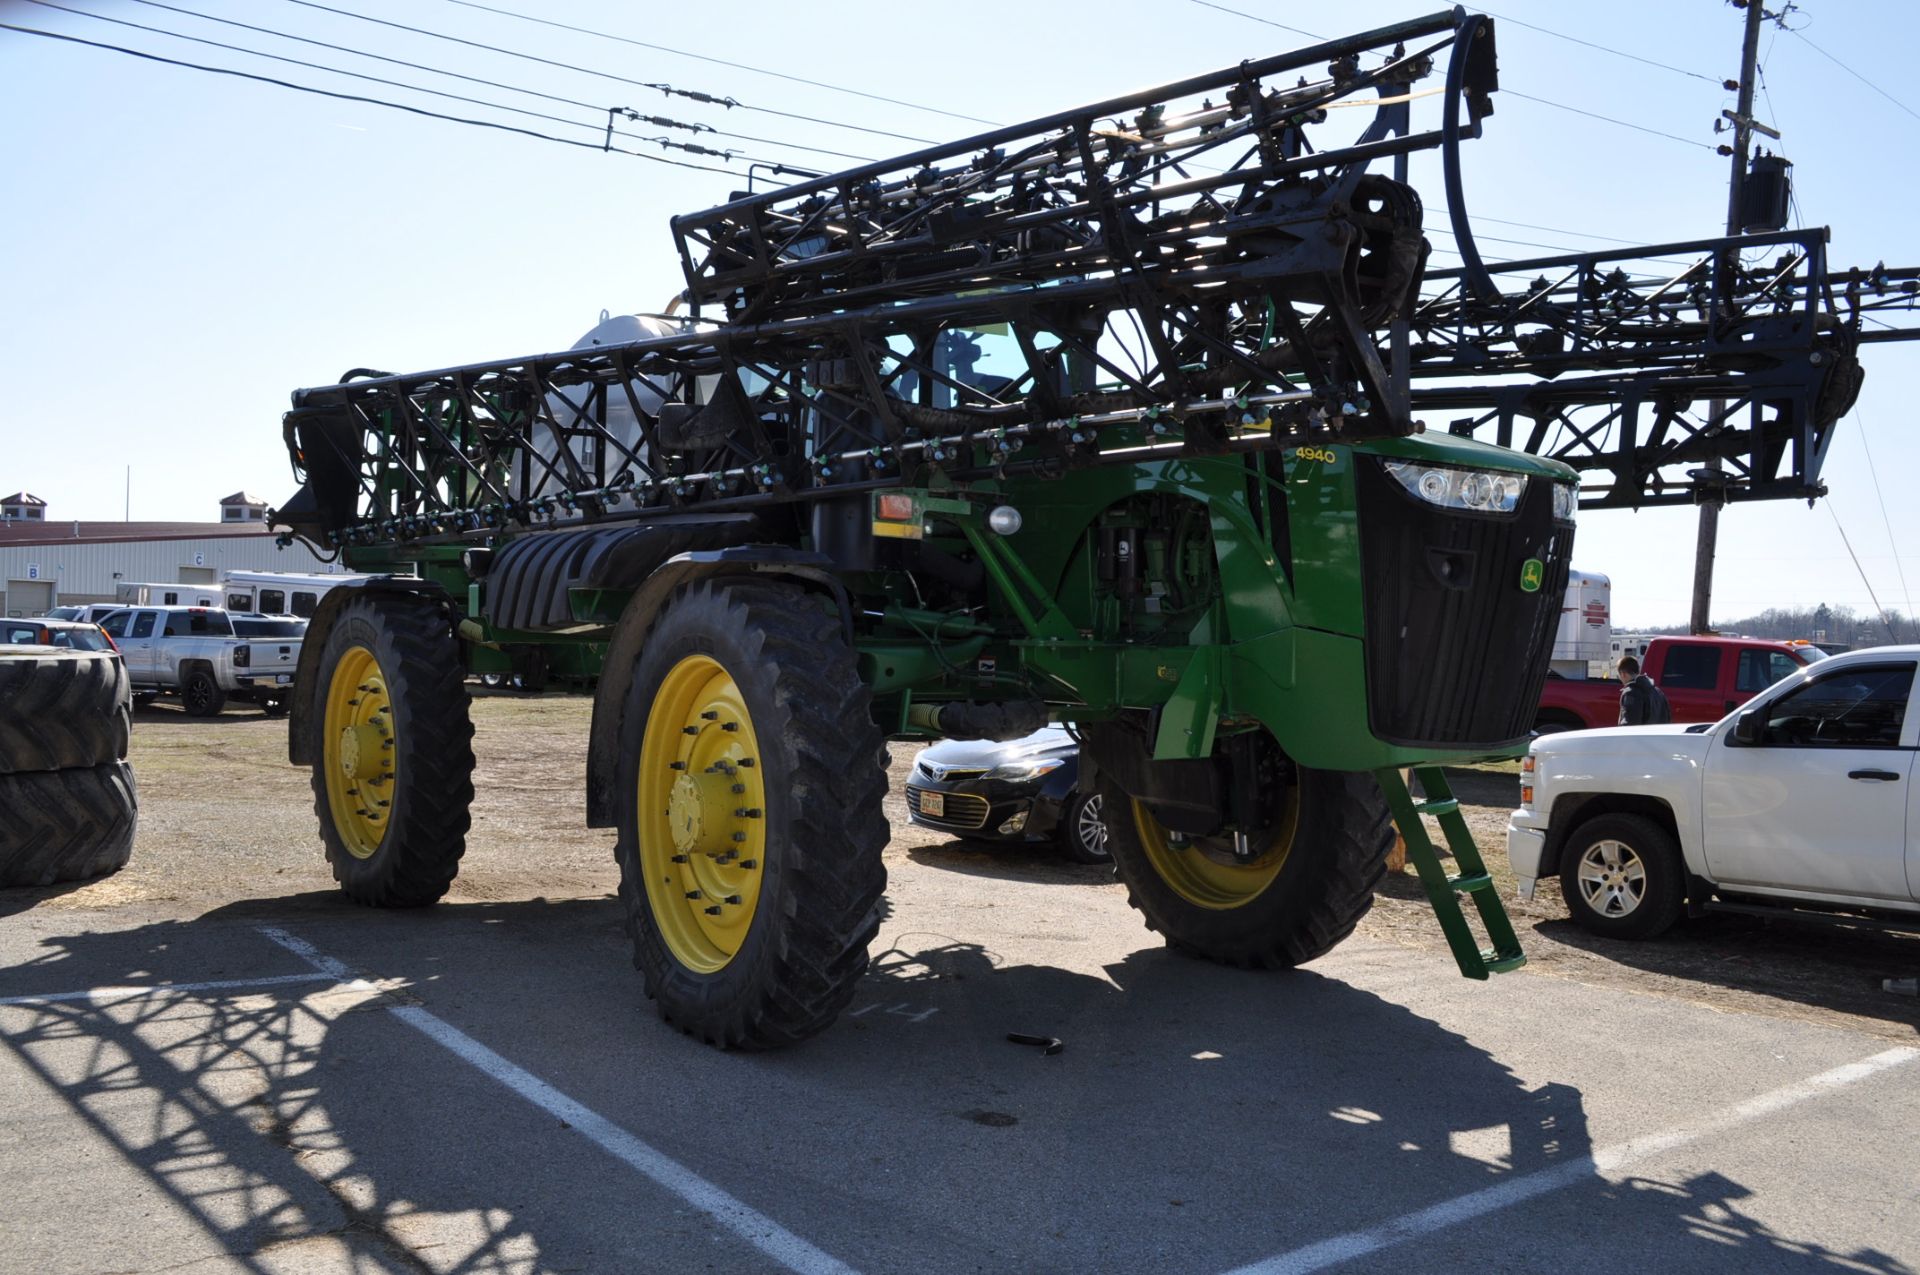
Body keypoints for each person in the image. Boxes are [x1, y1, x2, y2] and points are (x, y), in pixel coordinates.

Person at [1616, 655, 1672, 726]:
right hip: (1658, 735)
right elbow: (1668, 718)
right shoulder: (1658, 691)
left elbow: (1629, 725)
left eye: (1619, 676)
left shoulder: (1631, 693)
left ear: (1623, 674)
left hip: (1641, 736)